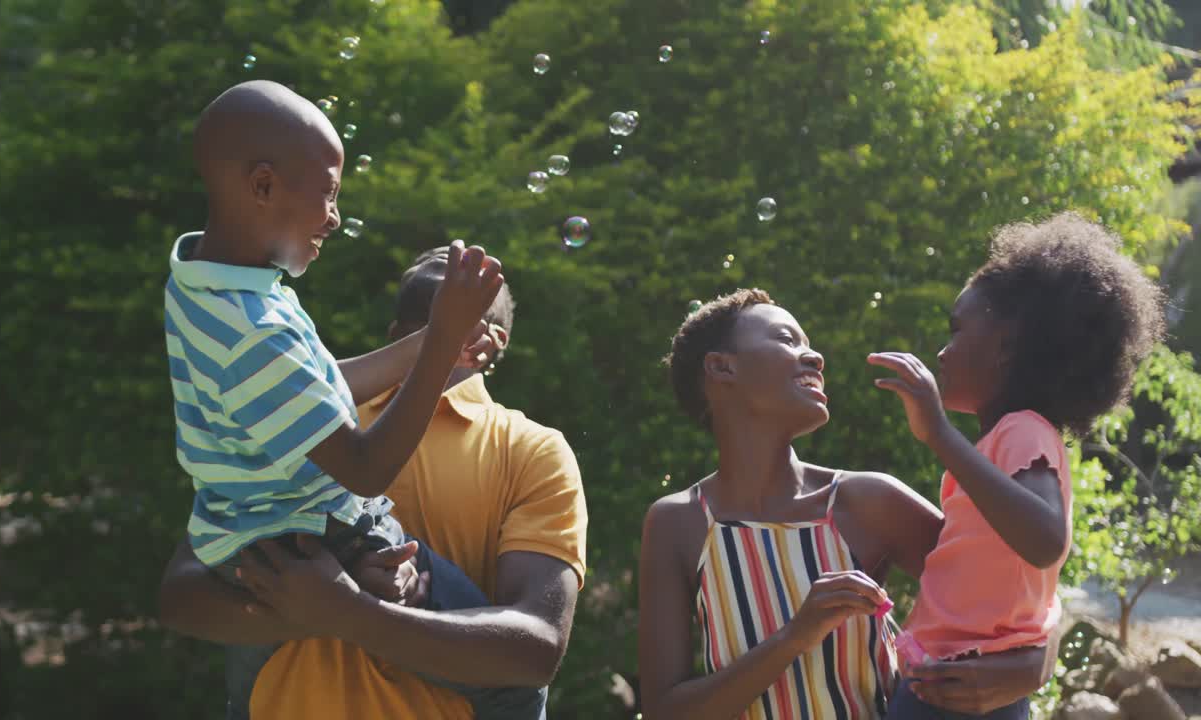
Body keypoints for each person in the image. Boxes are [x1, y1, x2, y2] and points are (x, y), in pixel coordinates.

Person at [165, 79, 544, 718]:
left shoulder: (221, 289)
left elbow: (321, 384)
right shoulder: (251, 331)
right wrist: (444, 336)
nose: (335, 217)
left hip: (262, 538)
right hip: (315, 540)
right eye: (329, 195)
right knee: (512, 677)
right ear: (263, 187)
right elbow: (366, 466)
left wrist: (433, 346)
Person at [158, 246, 588, 720]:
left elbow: (537, 649)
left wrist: (348, 612)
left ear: (492, 341)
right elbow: (180, 597)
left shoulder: (532, 449)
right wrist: (316, 608)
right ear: (394, 338)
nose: (448, 255)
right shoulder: (311, 419)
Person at [638, 288, 1057, 720]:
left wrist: (1036, 663)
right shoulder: (678, 523)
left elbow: (1018, 586)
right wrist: (794, 638)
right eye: (787, 339)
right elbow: (664, 711)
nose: (815, 356)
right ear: (722, 367)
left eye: (808, 343)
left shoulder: (870, 501)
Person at [870, 213, 1165, 719]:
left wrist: (939, 434)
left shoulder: (1024, 431)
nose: (942, 352)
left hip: (966, 692)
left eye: (957, 329)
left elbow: (1046, 539)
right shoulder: (1000, 442)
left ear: (1008, 346)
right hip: (951, 681)